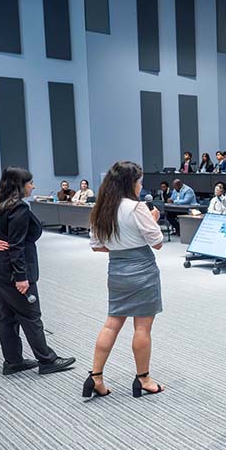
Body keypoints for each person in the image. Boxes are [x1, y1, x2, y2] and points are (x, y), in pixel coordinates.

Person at [0, 167, 76, 376]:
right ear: (20, 186)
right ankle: (47, 360)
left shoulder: (0, 204)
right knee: (31, 315)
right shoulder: (18, 207)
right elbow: (17, 246)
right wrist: (21, 277)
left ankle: (13, 361)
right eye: (30, 183)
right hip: (12, 273)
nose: (33, 186)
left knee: (7, 316)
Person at [84, 161, 164, 399]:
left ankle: (96, 376)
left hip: (117, 269)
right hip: (142, 270)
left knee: (111, 324)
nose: (141, 187)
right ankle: (143, 379)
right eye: (140, 182)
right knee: (142, 327)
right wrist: (153, 218)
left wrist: (120, 248)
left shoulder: (101, 208)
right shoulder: (137, 208)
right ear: (131, 183)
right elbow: (157, 242)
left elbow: (96, 246)